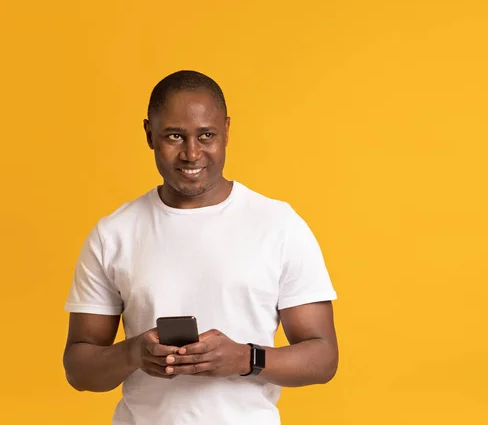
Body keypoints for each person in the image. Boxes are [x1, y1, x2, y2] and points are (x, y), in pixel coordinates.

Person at [62, 70, 339, 425]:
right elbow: (79, 370)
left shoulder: (279, 226)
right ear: (149, 134)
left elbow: (323, 357)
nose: (191, 154)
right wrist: (134, 353)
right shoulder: (113, 233)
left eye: (206, 135)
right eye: (174, 136)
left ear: (226, 130)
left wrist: (244, 359)